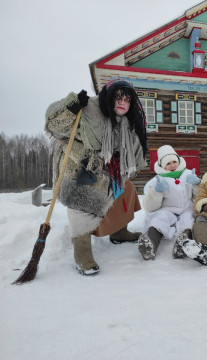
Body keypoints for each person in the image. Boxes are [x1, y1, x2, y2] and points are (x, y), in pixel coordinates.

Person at [45, 78, 148, 275]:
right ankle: (82, 253)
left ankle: (119, 232)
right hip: (81, 169)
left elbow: (136, 145)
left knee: (125, 191)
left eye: (126, 98)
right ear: (108, 97)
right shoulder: (90, 110)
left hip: (111, 171)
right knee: (82, 206)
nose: (122, 102)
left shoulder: (130, 120)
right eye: (117, 97)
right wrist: (71, 108)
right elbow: (54, 124)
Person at [138, 145, 201, 260]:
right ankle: (149, 244)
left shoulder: (188, 174)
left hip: (186, 209)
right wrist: (156, 192)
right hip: (167, 210)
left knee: (188, 221)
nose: (172, 166)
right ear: (162, 165)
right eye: (168, 163)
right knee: (159, 219)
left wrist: (197, 184)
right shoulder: (157, 180)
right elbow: (149, 207)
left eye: (174, 162)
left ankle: (182, 244)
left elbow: (199, 197)